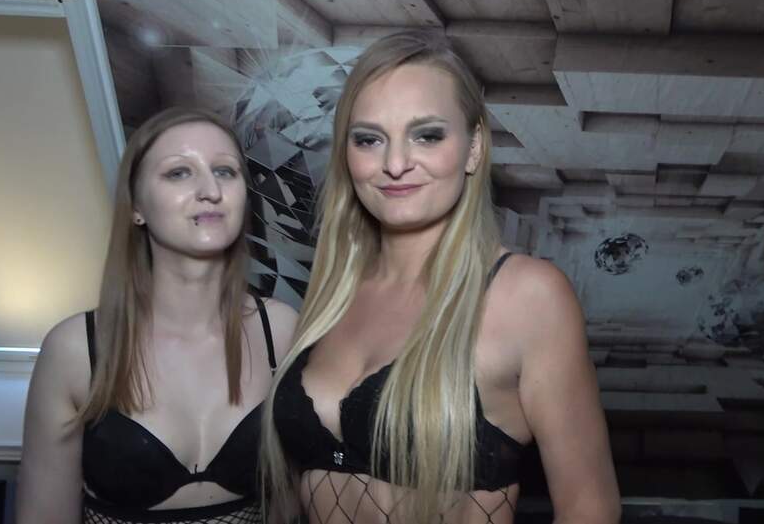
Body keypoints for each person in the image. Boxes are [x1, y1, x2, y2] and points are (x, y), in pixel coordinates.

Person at [262, 31, 620, 524]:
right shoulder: (335, 289)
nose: (395, 164)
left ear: (473, 148)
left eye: (427, 135)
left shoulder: (527, 295)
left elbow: (590, 508)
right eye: (369, 139)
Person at [16, 107, 297, 524]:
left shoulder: (280, 330)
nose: (210, 190)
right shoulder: (77, 350)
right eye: (179, 173)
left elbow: (291, 505)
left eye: (225, 171)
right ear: (136, 206)